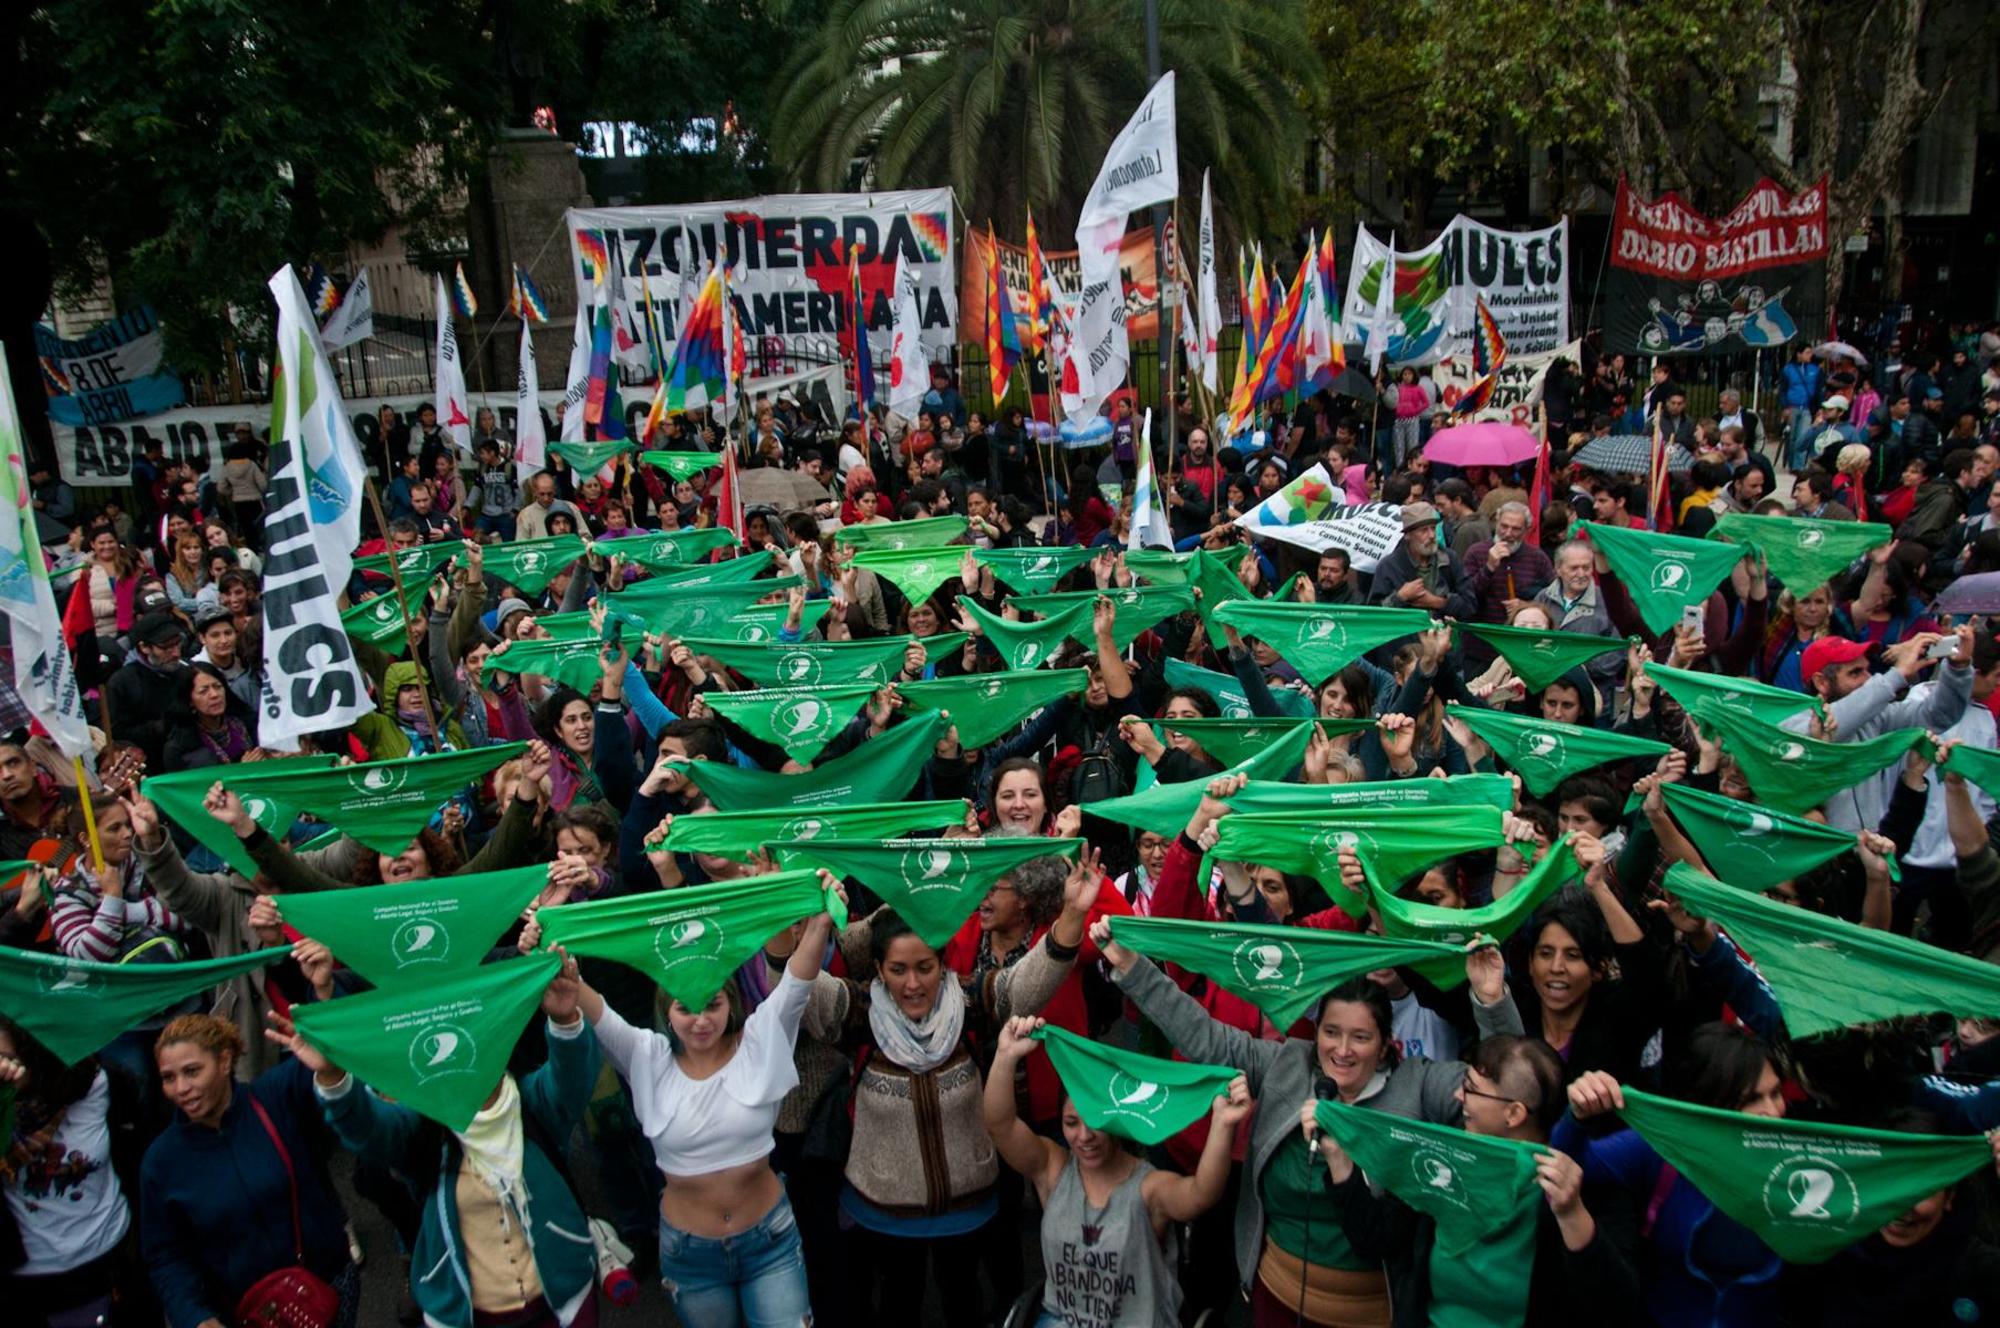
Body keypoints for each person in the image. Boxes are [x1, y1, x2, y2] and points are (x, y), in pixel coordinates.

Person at [1091, 915, 1520, 1328]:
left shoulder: (1420, 1084)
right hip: (1275, 1296)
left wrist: (1491, 999)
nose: (1343, 1051)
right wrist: (1131, 966)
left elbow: (1510, 1085)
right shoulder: (1288, 1065)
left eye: (1361, 1037)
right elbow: (1204, 1036)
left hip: (1374, 1309)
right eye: (1331, 1032)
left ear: (1386, 1045)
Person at [560, 872, 843, 1327]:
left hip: (769, 1240)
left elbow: (796, 983)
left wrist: (820, 920)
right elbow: (586, 1002)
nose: (700, 1021)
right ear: (666, 1014)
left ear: (730, 1004)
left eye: (712, 1004)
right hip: (691, 1257)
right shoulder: (645, 1054)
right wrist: (550, 939)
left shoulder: (760, 1040)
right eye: (684, 1008)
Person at [984, 1014, 1252, 1328]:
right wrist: (1006, 1055)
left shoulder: (1148, 1188)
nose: (1084, 1137)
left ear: (1117, 1120)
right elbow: (1000, 1126)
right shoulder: (1053, 1169)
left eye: (1096, 1123)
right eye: (1071, 1123)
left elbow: (1201, 1194)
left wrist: (1222, 1123)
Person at [140, 1011, 360, 1328]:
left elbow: (340, 1049)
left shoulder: (278, 1097)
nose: (182, 1088)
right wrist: (195, 1317)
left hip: (328, 1288)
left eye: (192, 1071)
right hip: (247, 1316)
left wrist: (324, 992)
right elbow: (165, 1256)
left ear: (225, 1061)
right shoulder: (161, 1162)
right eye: (168, 1078)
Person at [0, 1018, 148, 1328]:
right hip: (31, 1282)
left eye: (8, 1059)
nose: (2, 1068)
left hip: (109, 1259)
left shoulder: (96, 1082)